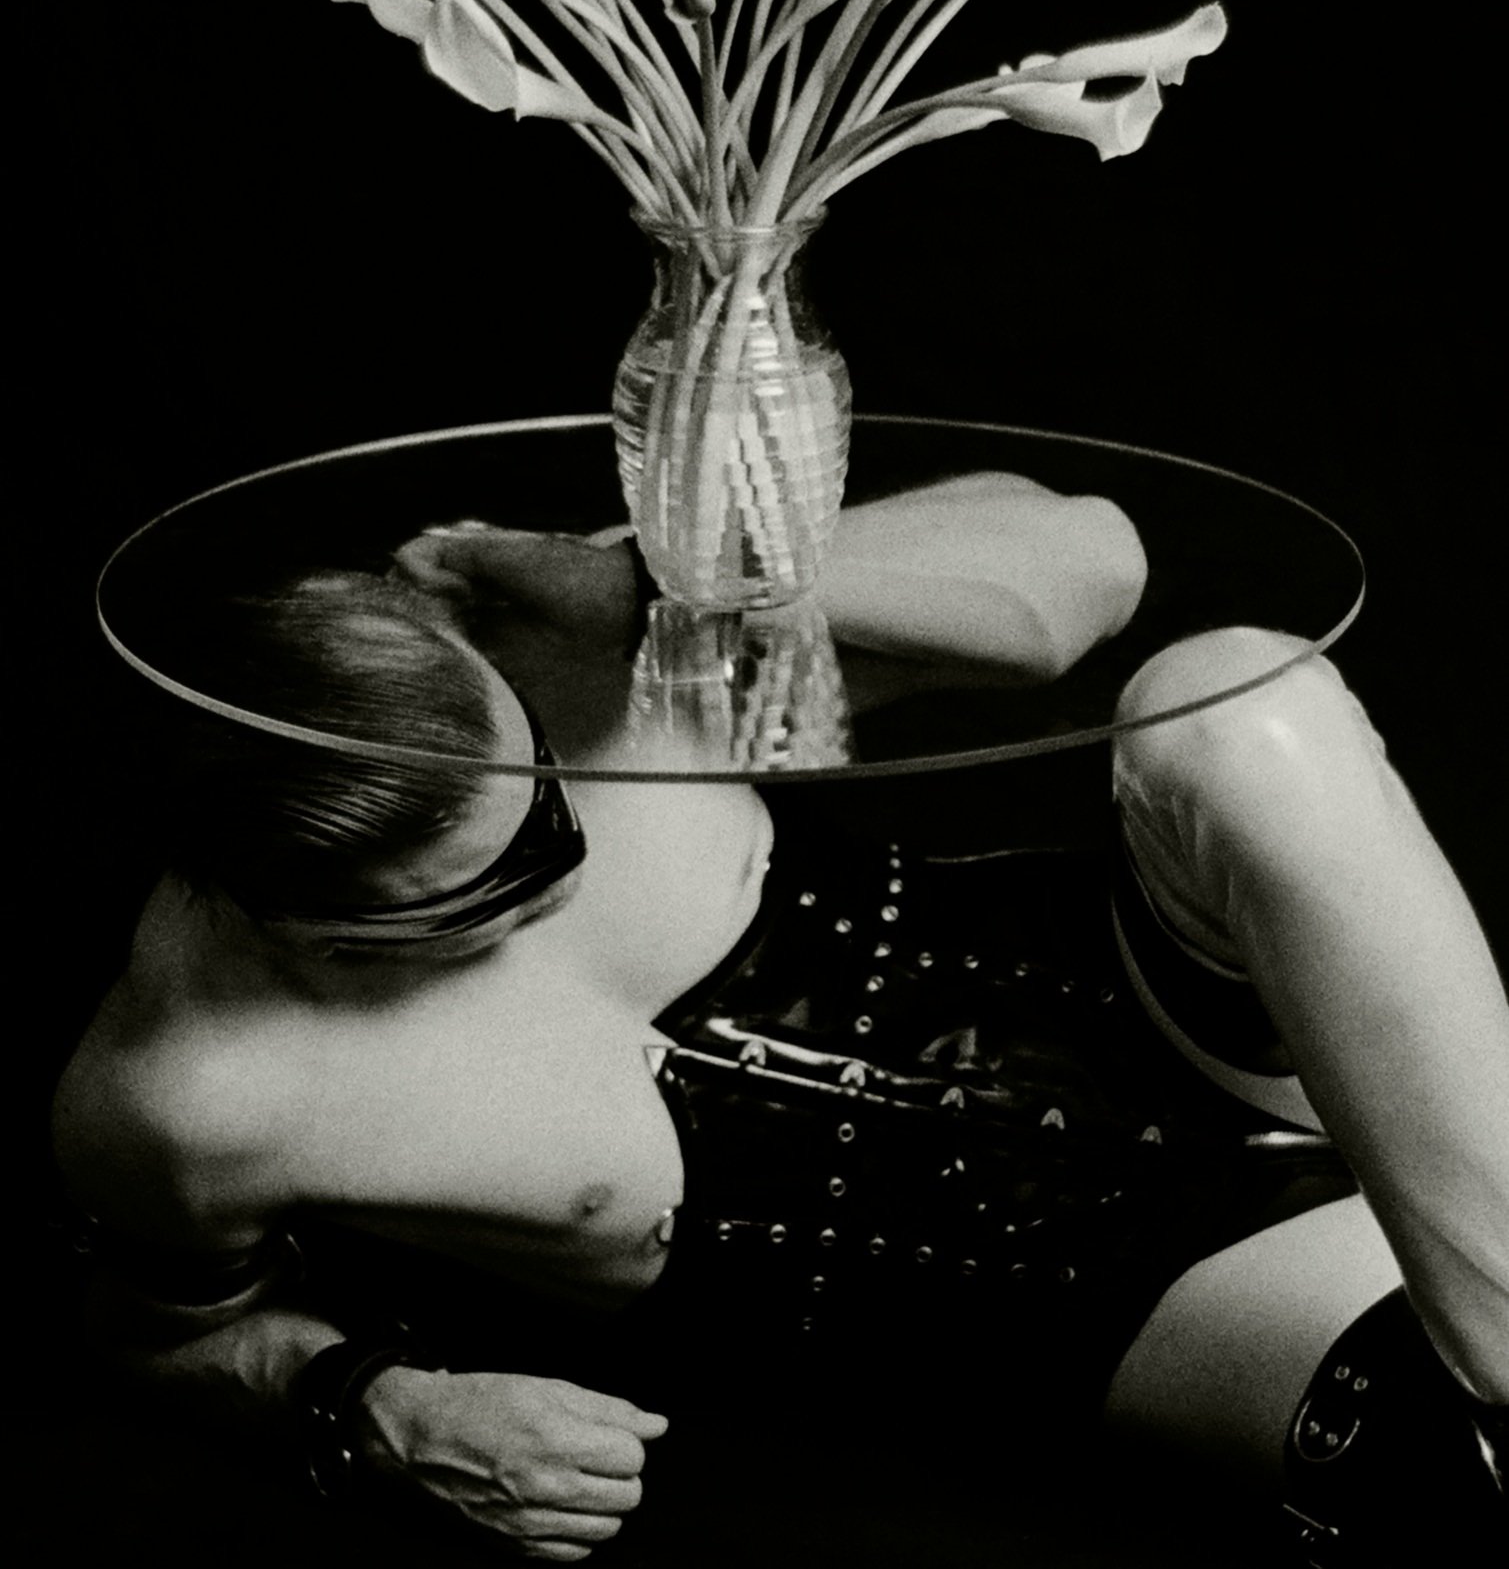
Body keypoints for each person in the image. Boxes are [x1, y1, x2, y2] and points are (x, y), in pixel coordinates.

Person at [52, 486, 1508, 1564]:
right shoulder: (193, 1094)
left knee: (1231, 696)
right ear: (287, 921)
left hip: (1209, 1001)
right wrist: (376, 1408)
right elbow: (145, 1344)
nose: (553, 870)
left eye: (544, 800)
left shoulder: (567, 664)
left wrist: (654, 579)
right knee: (1445, 1483)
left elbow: (1088, 563)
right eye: (473, 890)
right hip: (1117, 1303)